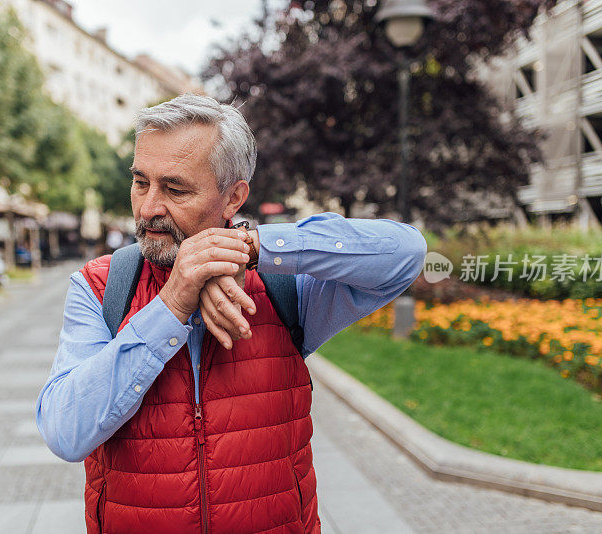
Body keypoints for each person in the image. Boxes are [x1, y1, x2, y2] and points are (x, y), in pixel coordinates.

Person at [36, 94, 427, 533]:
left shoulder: (285, 287)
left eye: (175, 189)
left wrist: (254, 247)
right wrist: (171, 305)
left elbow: (405, 253)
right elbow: (65, 431)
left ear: (233, 196)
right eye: (141, 182)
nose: (147, 208)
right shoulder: (100, 286)